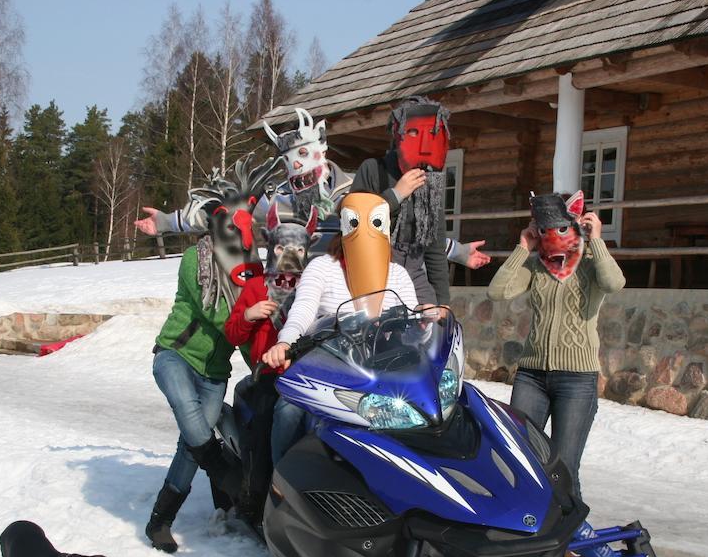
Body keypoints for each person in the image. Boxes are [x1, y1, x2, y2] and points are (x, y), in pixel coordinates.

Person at [134, 107, 490, 271]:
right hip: (290, 301)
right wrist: (167, 222)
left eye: (306, 155)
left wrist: (458, 252)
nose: (300, 166)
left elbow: (400, 233)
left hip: (342, 300)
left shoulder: (353, 191)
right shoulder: (275, 200)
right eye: (292, 159)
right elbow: (221, 209)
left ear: (323, 154)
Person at [140, 156, 276, 554]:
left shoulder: (250, 274)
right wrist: (247, 313)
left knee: (190, 440)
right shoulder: (194, 260)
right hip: (176, 356)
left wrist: (269, 362)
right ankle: (226, 475)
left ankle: (159, 522)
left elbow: (252, 335)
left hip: (215, 372)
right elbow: (215, 314)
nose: (240, 236)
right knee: (187, 409)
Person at [487, 191, 625, 500]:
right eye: (545, 228)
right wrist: (522, 248)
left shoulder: (591, 264)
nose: (553, 235)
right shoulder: (537, 267)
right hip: (532, 376)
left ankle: (569, 542)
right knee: (521, 458)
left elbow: (615, 283)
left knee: (563, 467)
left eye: (561, 227)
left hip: (576, 380)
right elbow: (497, 292)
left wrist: (597, 241)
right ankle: (527, 532)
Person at [223, 204, 317, 514]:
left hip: (306, 375)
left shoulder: (312, 287)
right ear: (270, 248)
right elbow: (233, 335)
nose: (289, 256)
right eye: (281, 247)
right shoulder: (254, 286)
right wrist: (248, 315)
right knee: (263, 429)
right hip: (267, 375)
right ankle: (258, 496)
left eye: (298, 249)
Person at [263, 192, 419, 372]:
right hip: (330, 369)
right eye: (355, 223)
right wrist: (286, 342)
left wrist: (426, 321)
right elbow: (303, 309)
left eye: (376, 223)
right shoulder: (322, 267)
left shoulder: (398, 274)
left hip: (385, 370)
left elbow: (412, 324)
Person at [350, 96, 457, 307]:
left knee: (433, 329)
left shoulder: (430, 181)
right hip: (373, 275)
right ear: (397, 133)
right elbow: (352, 225)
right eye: (414, 132)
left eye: (432, 133)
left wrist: (442, 302)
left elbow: (434, 247)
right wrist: (395, 195)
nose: (423, 142)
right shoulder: (373, 169)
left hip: (415, 278)